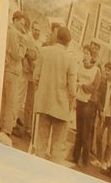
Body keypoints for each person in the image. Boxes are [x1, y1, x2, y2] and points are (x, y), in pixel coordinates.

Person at [29, 25, 76, 162]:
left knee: (41, 145)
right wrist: (70, 104)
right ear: (68, 42)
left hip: (44, 104)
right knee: (56, 148)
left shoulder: (44, 52)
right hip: (61, 108)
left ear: (56, 37)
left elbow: (35, 77)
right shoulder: (70, 60)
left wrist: (41, 92)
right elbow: (73, 89)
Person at [0, 12, 38, 139]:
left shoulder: (10, 31)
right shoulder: (14, 33)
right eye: (21, 23)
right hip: (13, 70)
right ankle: (7, 129)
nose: (22, 26)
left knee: (6, 101)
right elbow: (18, 54)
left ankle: (2, 125)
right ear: (15, 21)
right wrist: (24, 44)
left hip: (9, 69)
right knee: (12, 101)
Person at [71, 42, 100, 168]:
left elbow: (95, 86)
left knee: (86, 133)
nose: (85, 56)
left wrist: (82, 86)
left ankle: (85, 160)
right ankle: (75, 156)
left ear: (92, 57)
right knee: (79, 130)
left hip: (90, 103)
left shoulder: (96, 70)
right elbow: (76, 78)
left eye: (87, 54)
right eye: (84, 53)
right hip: (80, 100)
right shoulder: (80, 66)